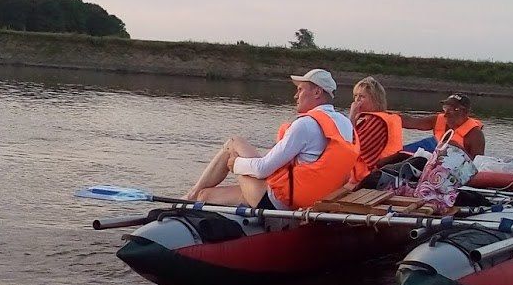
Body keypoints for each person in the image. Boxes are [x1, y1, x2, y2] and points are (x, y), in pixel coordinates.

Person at [184, 69, 359, 209]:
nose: (295, 96)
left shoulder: (305, 125)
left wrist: (235, 164)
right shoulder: (345, 124)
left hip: (278, 202)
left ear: (317, 92)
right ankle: (195, 197)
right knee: (204, 196)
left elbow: (262, 169)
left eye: (300, 90)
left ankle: (189, 195)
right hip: (313, 200)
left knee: (233, 143)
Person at [348, 76, 404, 183]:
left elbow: (351, 145)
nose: (357, 100)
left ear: (375, 99)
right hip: (374, 174)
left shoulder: (377, 121)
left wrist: (352, 116)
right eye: (355, 96)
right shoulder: (372, 119)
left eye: (362, 96)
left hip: (370, 177)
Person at [396, 92, 485, 159]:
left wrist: (458, 150)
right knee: (430, 143)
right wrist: (390, 117)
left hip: (452, 170)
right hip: (430, 162)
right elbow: (412, 122)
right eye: (446, 108)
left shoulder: (475, 134)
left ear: (464, 112)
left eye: (451, 109)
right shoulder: (438, 120)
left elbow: (477, 164)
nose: (446, 114)